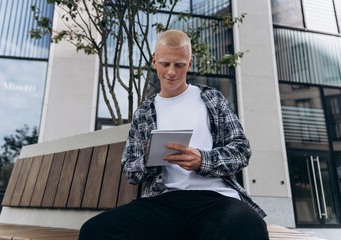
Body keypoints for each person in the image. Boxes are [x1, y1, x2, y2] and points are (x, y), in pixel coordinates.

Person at [79, 29, 269, 240]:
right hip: (164, 201)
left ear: (189, 64)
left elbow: (242, 150)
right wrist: (148, 160)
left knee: (248, 227)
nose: (171, 72)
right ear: (154, 62)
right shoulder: (144, 112)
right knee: (94, 231)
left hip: (216, 199)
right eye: (165, 64)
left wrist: (202, 160)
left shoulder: (211, 99)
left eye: (179, 64)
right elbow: (130, 171)